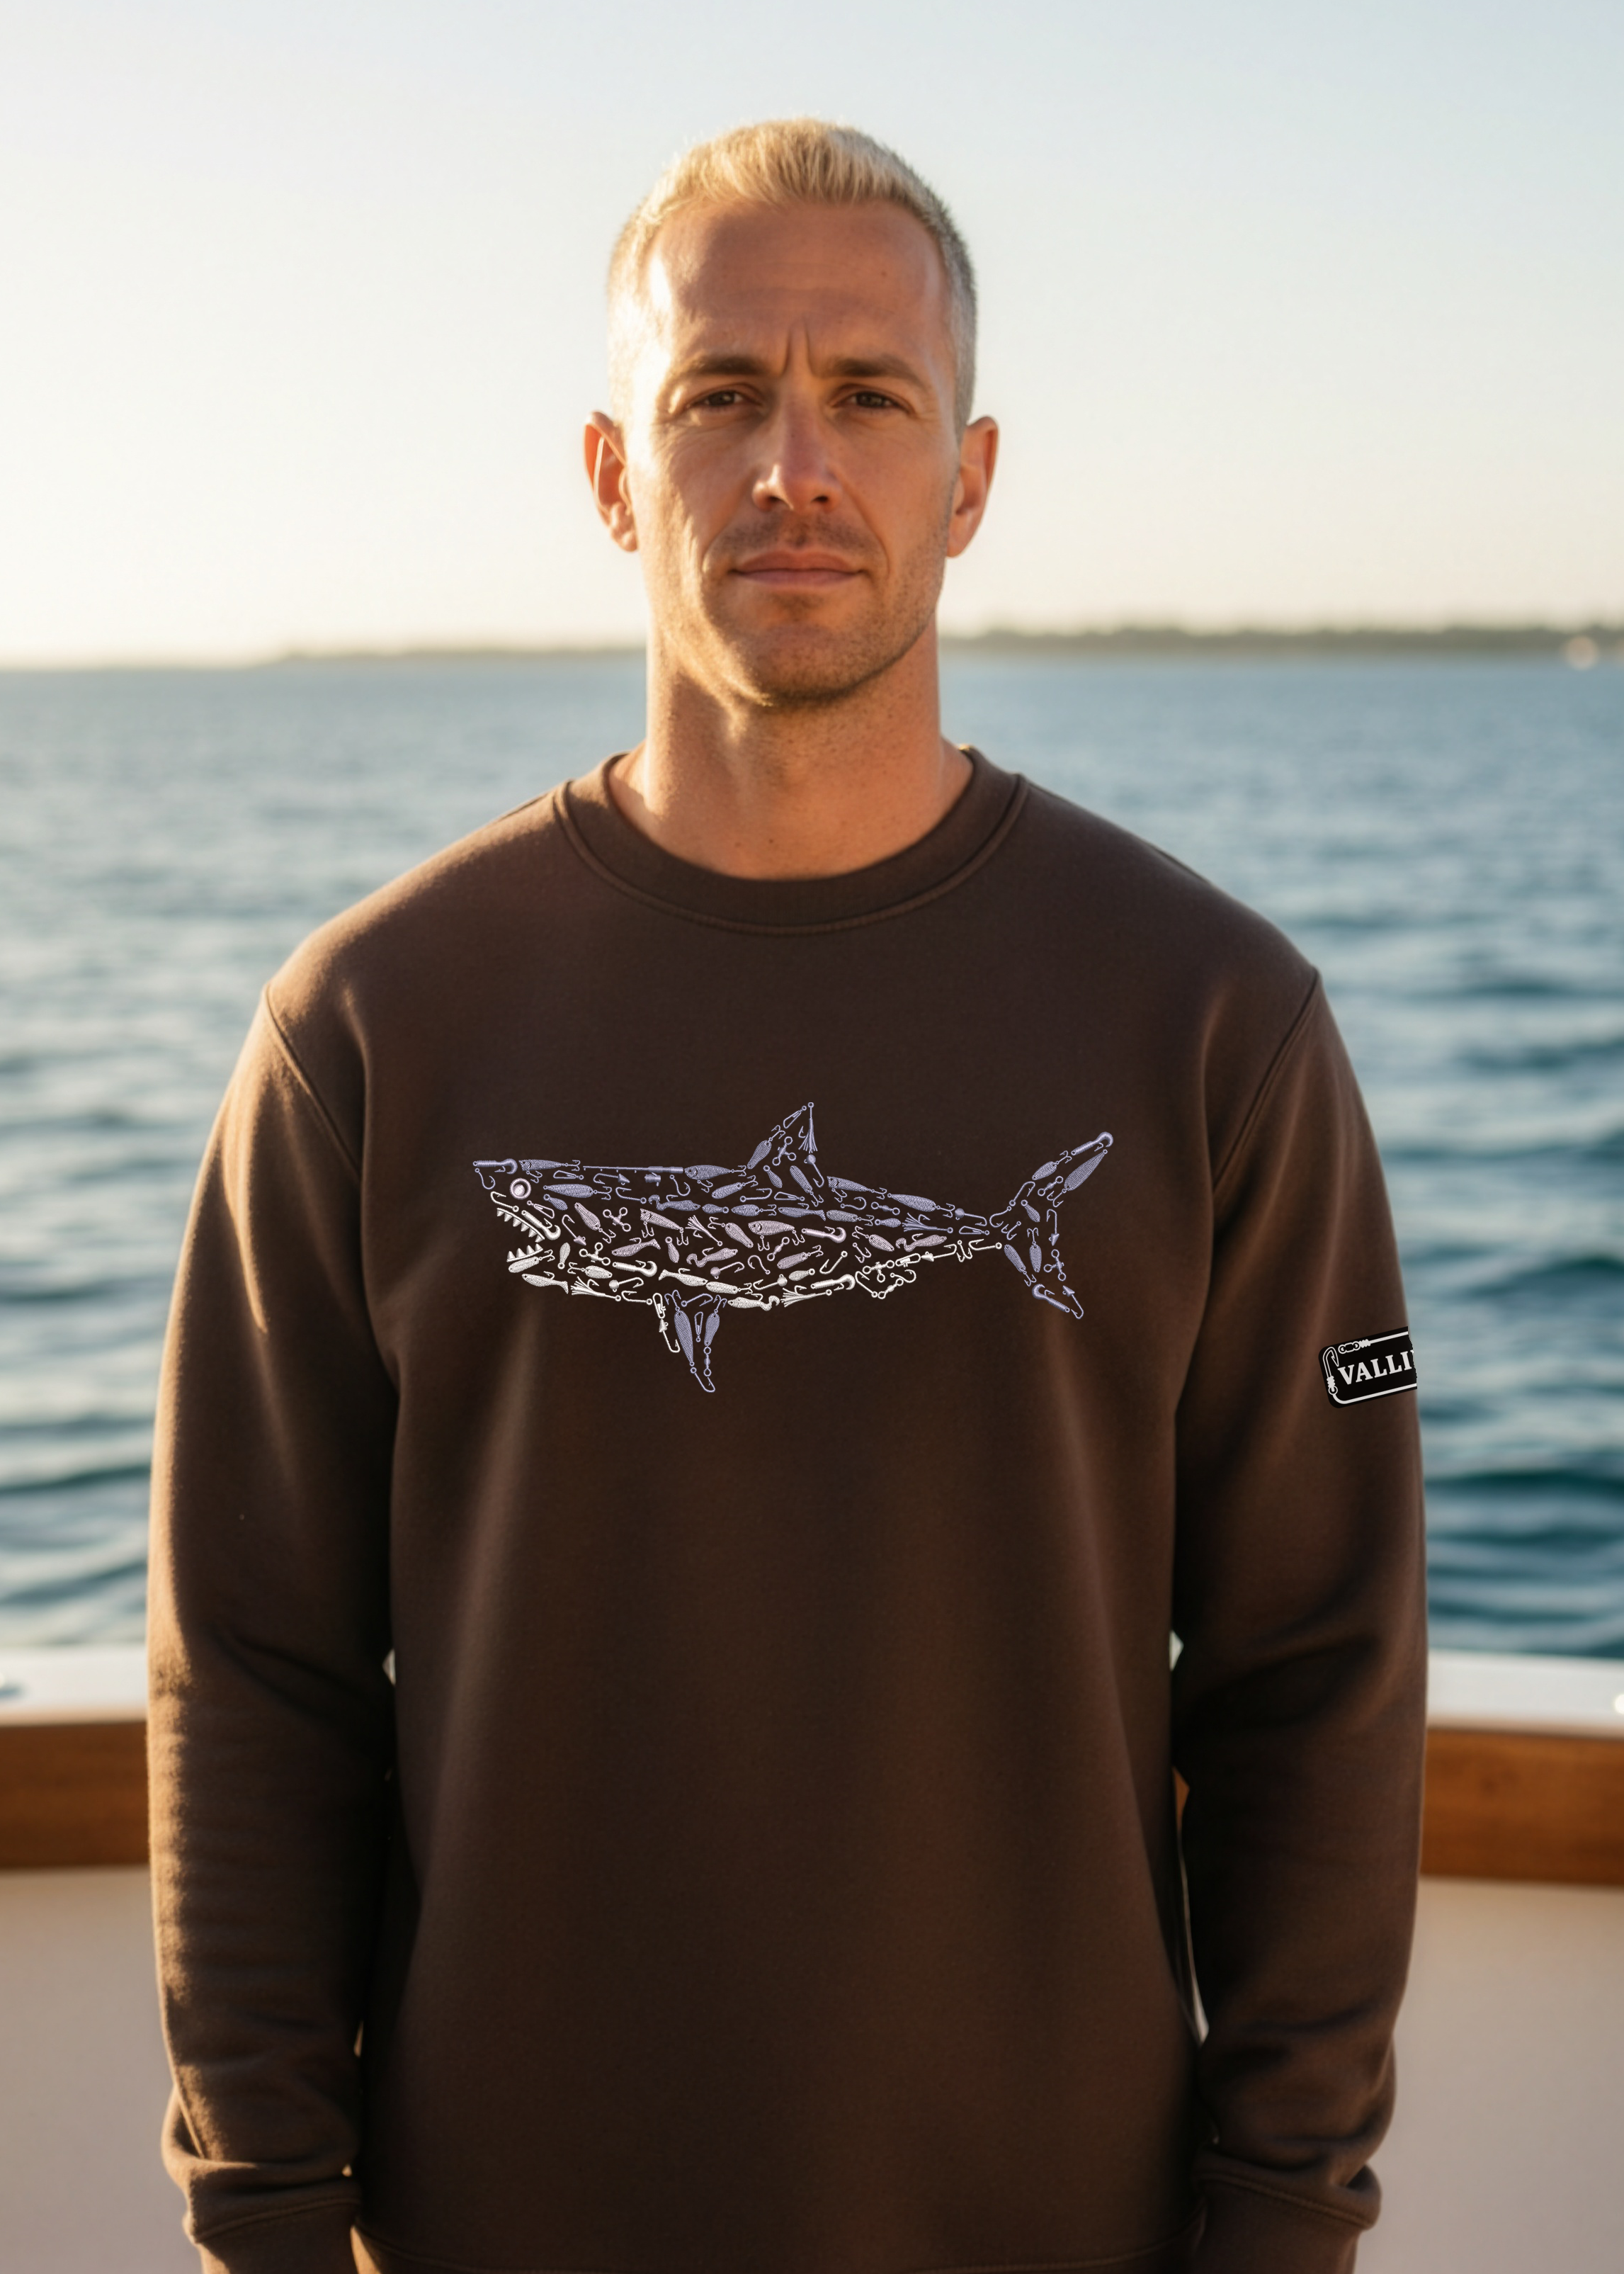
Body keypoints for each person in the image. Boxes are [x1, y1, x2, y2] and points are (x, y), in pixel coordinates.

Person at [149, 119, 1426, 2274]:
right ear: (608, 475)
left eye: (868, 397)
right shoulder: (362, 1032)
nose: (791, 466)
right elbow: (255, 1675)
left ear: (973, 477)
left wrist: (1279, 2229)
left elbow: (1316, 1670)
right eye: (718, 393)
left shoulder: (1216, 1024)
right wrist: (269, 2224)